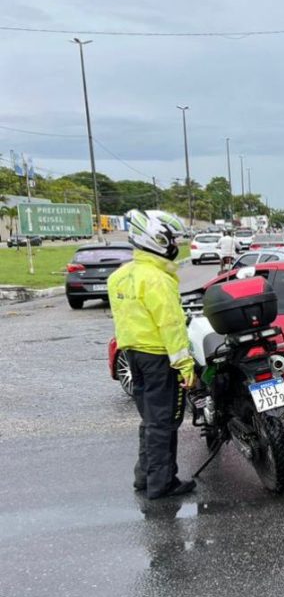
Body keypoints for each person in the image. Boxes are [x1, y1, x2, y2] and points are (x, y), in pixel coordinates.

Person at [109, 209, 197, 500]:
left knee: (149, 417)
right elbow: (170, 325)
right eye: (171, 240)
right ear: (156, 240)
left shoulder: (120, 276)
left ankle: (144, 476)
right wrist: (185, 365)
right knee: (164, 421)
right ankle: (162, 483)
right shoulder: (158, 280)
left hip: (133, 355)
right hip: (160, 357)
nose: (175, 246)